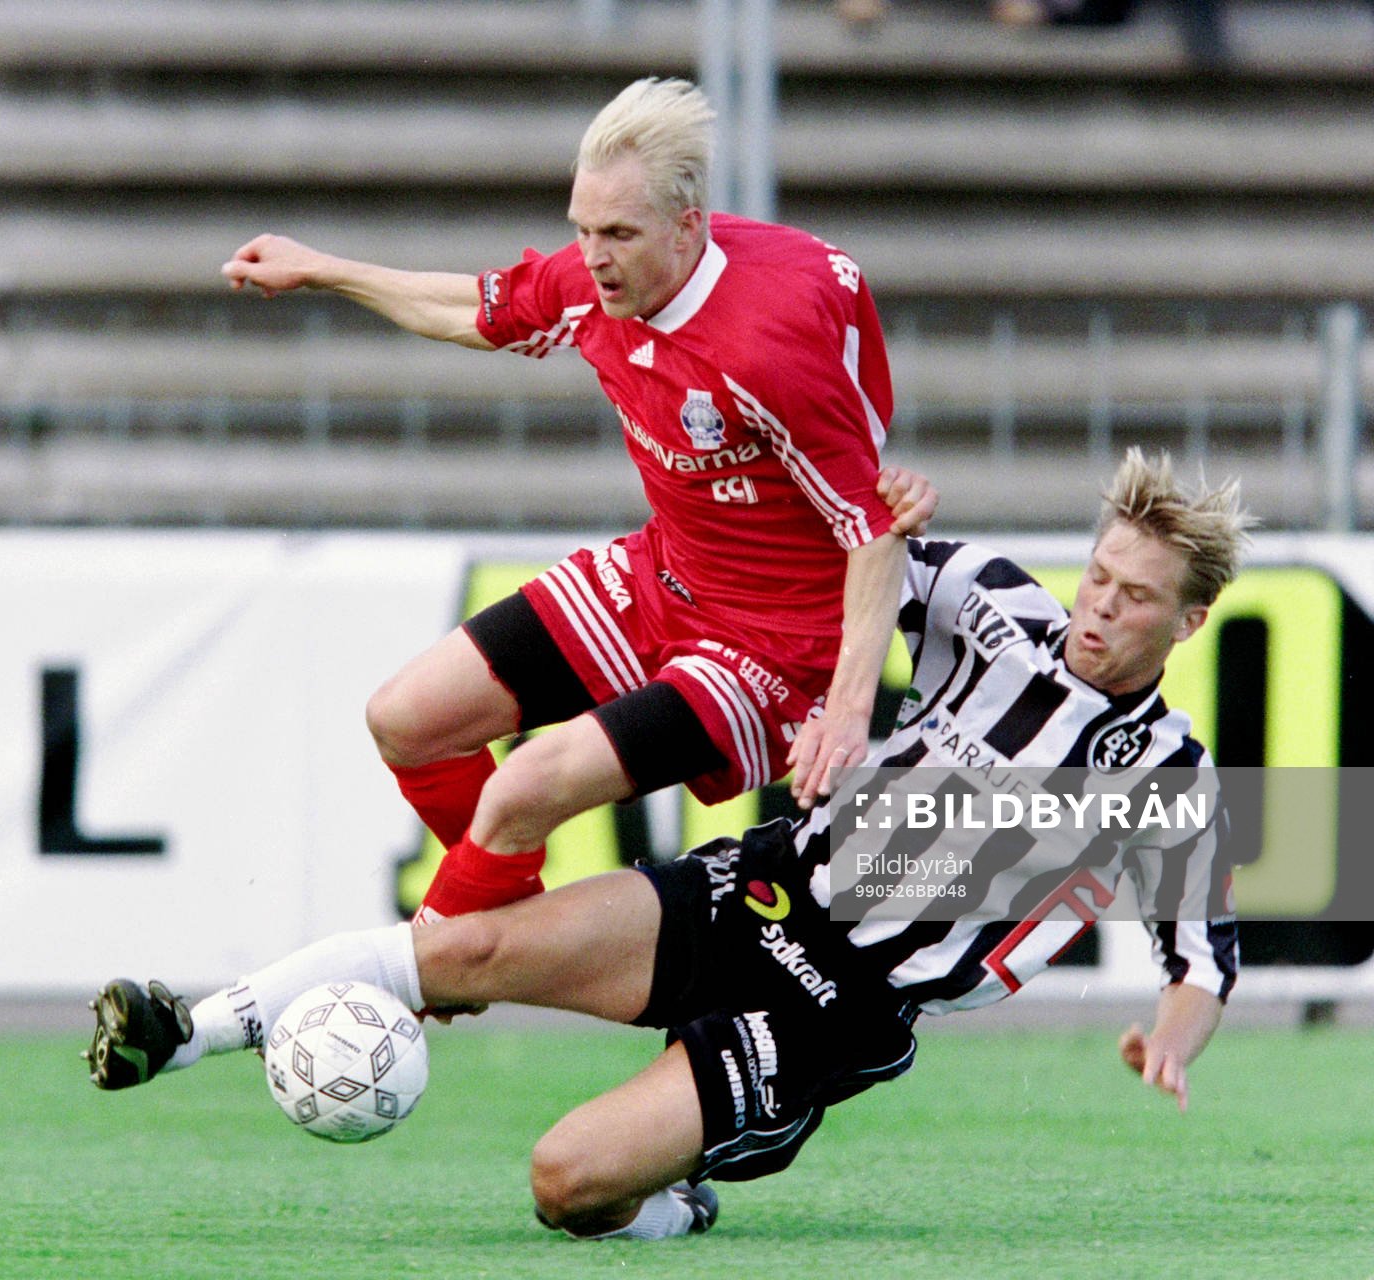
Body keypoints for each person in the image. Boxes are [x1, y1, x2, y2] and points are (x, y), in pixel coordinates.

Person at [88, 449, 1250, 1241]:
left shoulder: (1169, 774)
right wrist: (883, 516)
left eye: (1136, 597)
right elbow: (855, 560)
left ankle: (675, 1206)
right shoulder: (998, 606)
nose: (1100, 605)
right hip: (762, 888)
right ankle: (184, 1030)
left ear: (1188, 621)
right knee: (472, 947)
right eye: (1098, 573)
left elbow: (1202, 958)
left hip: (834, 1008)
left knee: (566, 1183)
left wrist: (1175, 1045)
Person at [221, 77, 919, 930]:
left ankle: (420, 973)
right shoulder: (597, 281)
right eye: (581, 229)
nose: (593, 255)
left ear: (689, 224)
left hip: (772, 650)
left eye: (618, 233)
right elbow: (472, 310)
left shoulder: (768, 345)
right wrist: (324, 271)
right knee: (405, 719)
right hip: (665, 574)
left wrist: (846, 714)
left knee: (523, 786)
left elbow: (874, 531)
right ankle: (501, 932)